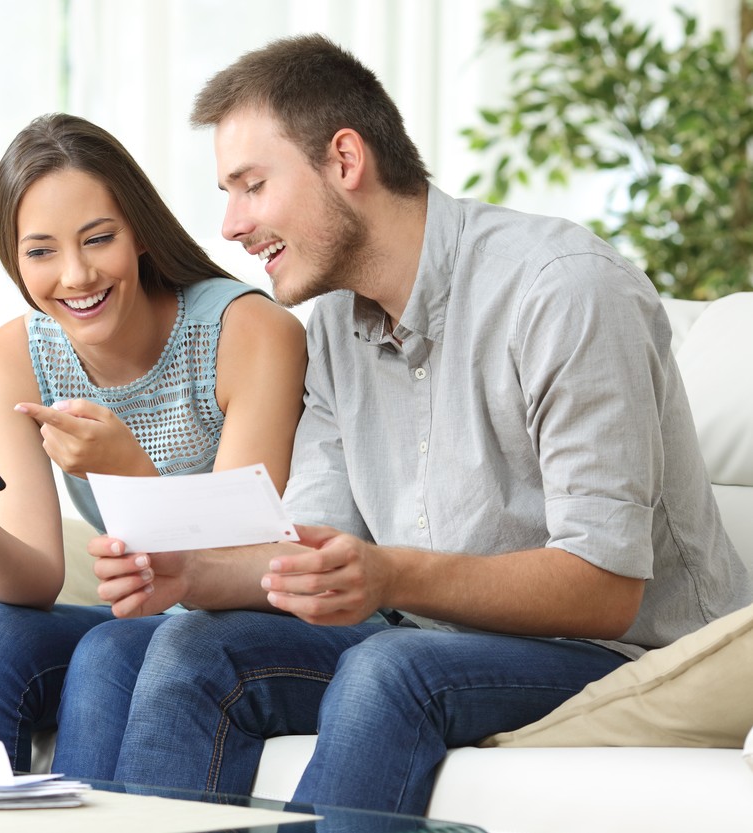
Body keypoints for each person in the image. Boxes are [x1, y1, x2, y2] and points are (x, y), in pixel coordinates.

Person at [70, 34, 753, 815]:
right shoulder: (330, 330)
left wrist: (390, 576)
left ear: (346, 160)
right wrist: (188, 575)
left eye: (251, 186)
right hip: (429, 634)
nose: (230, 224)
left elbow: (605, 588)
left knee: (389, 669)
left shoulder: (563, 290)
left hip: (623, 653)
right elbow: (311, 547)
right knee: (181, 646)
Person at [0, 113, 307, 774]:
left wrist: (123, 465)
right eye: (40, 251)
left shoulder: (250, 332)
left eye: (98, 239)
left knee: (112, 649)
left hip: (257, 616)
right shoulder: (13, 359)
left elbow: (242, 558)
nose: (74, 275)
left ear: (140, 236)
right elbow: (37, 578)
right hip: (156, 614)